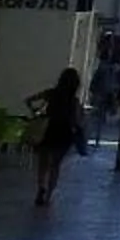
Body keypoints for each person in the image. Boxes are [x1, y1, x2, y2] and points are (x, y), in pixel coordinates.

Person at [25, 68, 85, 208]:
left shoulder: (51, 93)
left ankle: (41, 187)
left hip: (49, 128)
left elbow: (29, 100)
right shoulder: (74, 101)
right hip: (65, 133)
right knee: (56, 165)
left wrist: (36, 112)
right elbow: (76, 120)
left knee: (43, 162)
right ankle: (49, 196)